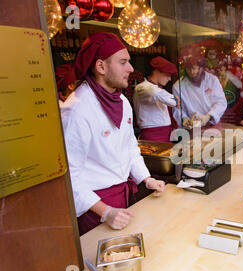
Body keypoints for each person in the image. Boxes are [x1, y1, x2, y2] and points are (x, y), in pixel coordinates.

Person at [61, 32, 165, 236]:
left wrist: (146, 179)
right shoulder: (77, 110)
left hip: (122, 195)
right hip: (93, 207)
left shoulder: (122, 102)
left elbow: (129, 147)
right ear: (101, 67)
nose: (131, 69)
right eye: (123, 62)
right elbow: (69, 177)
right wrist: (105, 211)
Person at [172, 47, 227, 132]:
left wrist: (208, 116)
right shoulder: (178, 86)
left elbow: (221, 102)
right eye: (188, 69)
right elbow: (177, 109)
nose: (192, 72)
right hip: (192, 128)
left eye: (194, 68)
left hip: (212, 125)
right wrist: (184, 119)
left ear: (202, 68)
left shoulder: (212, 80)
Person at [133, 56, 179, 142]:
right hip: (152, 135)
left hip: (166, 133)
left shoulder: (159, 91)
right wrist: (175, 99)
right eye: (167, 75)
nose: (169, 79)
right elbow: (171, 101)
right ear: (157, 71)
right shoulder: (142, 88)